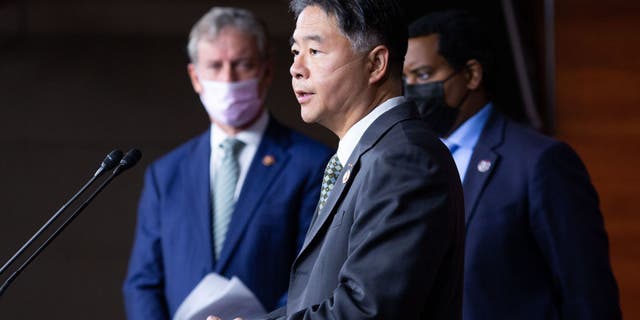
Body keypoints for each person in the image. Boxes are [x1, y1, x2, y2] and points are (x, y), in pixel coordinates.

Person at [209, 1, 466, 319]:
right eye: (294, 52)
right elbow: (323, 298)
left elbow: (366, 309)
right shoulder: (369, 155)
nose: (296, 68)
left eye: (314, 51)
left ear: (375, 65)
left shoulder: (403, 159)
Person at [403, 10, 621, 320]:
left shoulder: (540, 162)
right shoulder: (412, 161)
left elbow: (587, 294)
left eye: (423, 75)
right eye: (405, 79)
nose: (411, 89)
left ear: (471, 75)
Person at [122, 7, 334, 320]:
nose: (228, 78)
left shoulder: (312, 163)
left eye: (242, 65)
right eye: (215, 66)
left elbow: (314, 275)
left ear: (266, 71)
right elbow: (142, 283)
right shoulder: (166, 173)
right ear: (195, 77)